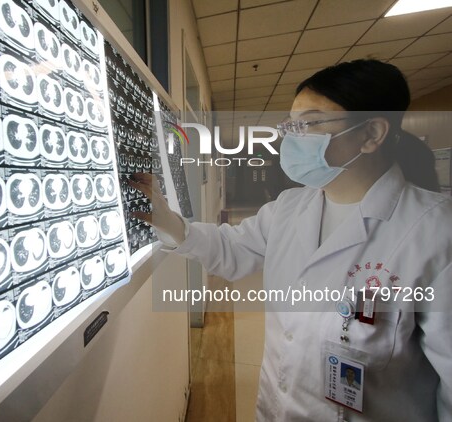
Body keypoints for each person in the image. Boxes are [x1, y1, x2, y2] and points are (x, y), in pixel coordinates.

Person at [129, 59, 452, 421]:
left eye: (309, 123)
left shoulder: (437, 233)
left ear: (371, 133)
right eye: (290, 125)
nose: (292, 137)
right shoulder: (290, 207)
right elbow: (232, 249)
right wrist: (172, 224)